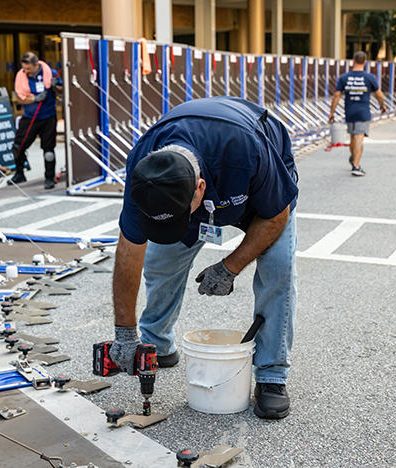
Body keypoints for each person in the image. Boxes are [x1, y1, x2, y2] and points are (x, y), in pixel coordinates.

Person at [109, 96, 299, 420]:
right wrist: (124, 332)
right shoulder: (144, 169)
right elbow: (129, 250)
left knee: (278, 269)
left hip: (255, 195)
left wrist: (230, 266)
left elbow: (276, 216)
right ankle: (157, 343)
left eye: (175, 218)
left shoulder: (245, 149)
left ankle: (271, 375)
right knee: (160, 262)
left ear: (199, 189)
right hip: (197, 197)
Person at [9, 52, 63, 190]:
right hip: (30, 116)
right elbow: (19, 98)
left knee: (48, 150)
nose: (26, 72)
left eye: (28, 69)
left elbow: (61, 91)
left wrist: (55, 86)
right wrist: (34, 99)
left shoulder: (50, 73)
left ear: (36, 64)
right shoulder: (21, 76)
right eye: (24, 69)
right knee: (18, 147)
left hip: (48, 116)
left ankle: (49, 177)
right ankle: (19, 173)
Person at [328, 51, 387, 177]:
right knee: (359, 137)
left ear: (353, 61)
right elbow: (379, 94)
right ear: (365, 62)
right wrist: (382, 105)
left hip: (350, 112)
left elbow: (337, 95)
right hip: (363, 112)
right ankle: (356, 165)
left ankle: (354, 157)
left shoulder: (344, 77)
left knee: (353, 138)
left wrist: (331, 113)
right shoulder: (369, 77)